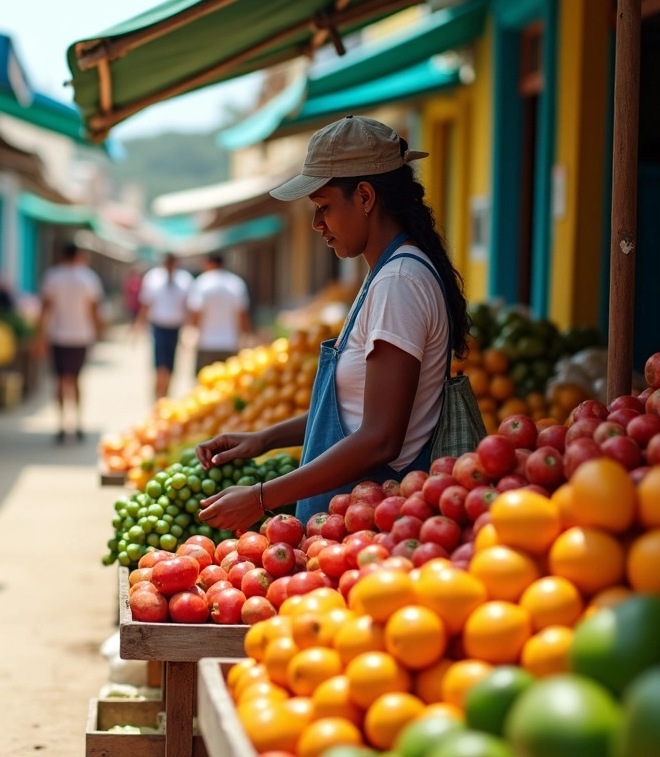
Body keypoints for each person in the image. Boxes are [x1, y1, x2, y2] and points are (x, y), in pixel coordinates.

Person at [196, 116, 470, 530]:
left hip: (369, 525)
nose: (316, 224)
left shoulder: (398, 282)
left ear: (364, 196)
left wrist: (261, 497)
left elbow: (379, 438)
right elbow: (356, 411)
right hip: (347, 523)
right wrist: (264, 440)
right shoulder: (387, 275)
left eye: (323, 207)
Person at [36, 243, 104, 444]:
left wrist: (39, 336)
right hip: (81, 336)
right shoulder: (88, 277)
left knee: (60, 380)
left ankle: (61, 425)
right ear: (79, 255)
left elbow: (45, 309)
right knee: (76, 380)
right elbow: (94, 310)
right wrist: (98, 332)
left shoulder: (53, 276)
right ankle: (78, 423)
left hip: (58, 336)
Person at [133, 254, 194, 400]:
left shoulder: (185, 280)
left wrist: (189, 330)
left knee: (172, 366)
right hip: (158, 327)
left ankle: (166, 396)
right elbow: (146, 304)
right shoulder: (153, 278)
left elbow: (189, 307)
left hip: (175, 328)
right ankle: (158, 396)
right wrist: (138, 325)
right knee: (160, 366)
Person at [187, 253, 251, 374]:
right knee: (227, 384)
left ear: (209, 263)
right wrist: (244, 337)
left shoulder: (202, 282)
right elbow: (242, 314)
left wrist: (191, 332)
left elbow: (196, 312)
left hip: (206, 343)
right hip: (229, 343)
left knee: (205, 384)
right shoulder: (236, 283)